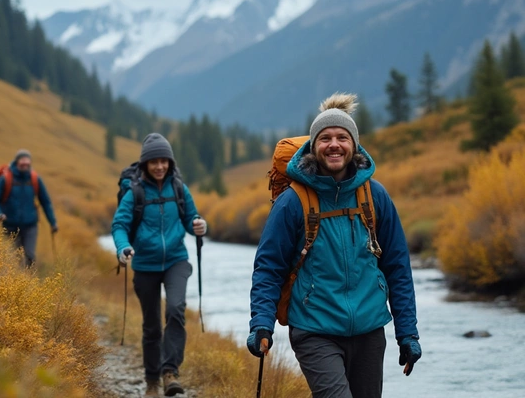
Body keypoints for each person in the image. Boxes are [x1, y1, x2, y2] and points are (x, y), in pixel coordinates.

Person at [247, 93, 421, 398]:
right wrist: (261, 323)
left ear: (354, 145)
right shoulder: (293, 201)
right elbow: (269, 267)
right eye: (325, 138)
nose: (334, 144)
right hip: (315, 329)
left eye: (342, 137)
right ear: (314, 147)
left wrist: (407, 333)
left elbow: (397, 267)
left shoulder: (375, 196)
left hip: (369, 330)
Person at [112, 133, 207, 397]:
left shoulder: (178, 188)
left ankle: (170, 372)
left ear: (170, 162)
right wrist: (123, 248)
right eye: (153, 162)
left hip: (176, 260)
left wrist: (199, 225)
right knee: (151, 325)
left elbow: (191, 218)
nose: (159, 166)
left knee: (176, 309)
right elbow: (119, 225)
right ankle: (152, 380)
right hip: (144, 264)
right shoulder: (135, 192)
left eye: (164, 161)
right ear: (145, 164)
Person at [0, 149, 58, 268]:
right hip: (9, 225)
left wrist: (53, 222)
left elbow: (45, 202)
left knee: (30, 255)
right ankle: (16, 283)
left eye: (27, 161)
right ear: (17, 161)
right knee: (14, 257)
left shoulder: (35, 179)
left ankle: (29, 282)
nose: (25, 163)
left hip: (30, 226)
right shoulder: (6, 179)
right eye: (22, 161)